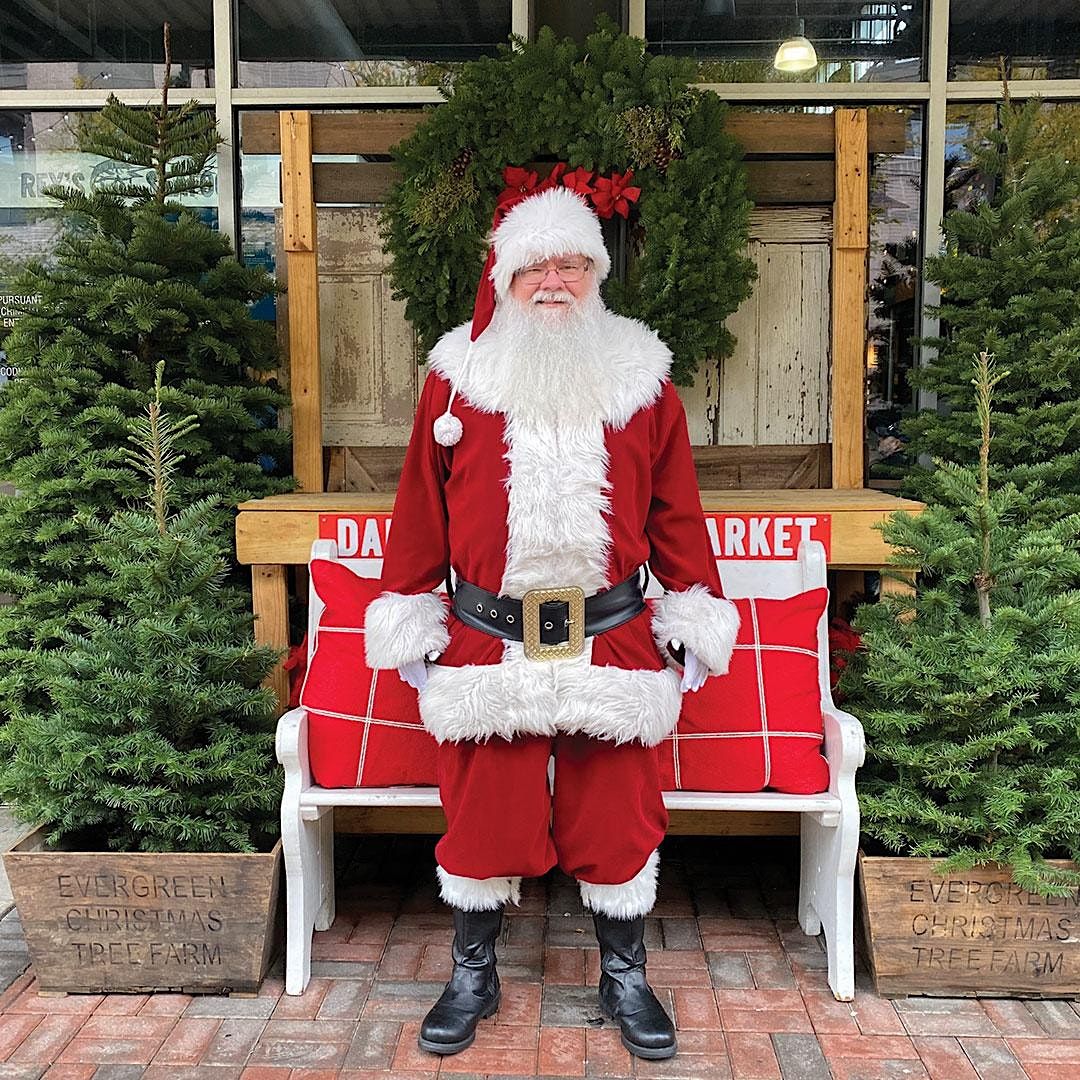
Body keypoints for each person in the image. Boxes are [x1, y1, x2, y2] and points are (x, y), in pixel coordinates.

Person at [364, 180, 739, 1061]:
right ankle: (472, 970)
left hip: (610, 633)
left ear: (596, 274)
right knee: (482, 810)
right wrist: (414, 609)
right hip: (490, 633)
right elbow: (421, 508)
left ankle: (623, 973)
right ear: (506, 276)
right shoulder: (458, 382)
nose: (555, 282)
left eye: (572, 264)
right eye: (537, 266)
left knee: (619, 814)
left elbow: (678, 513)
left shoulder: (643, 383)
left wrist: (689, 608)